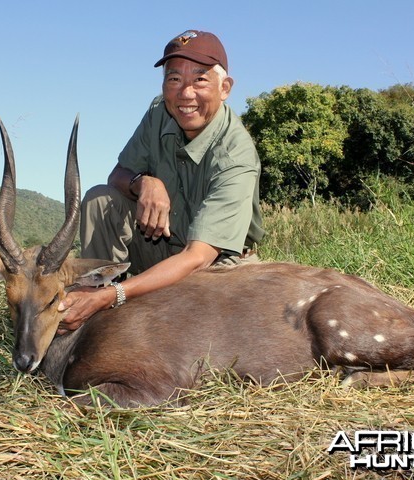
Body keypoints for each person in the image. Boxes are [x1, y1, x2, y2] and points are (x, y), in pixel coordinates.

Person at [57, 30, 264, 333]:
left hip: (215, 264)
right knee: (99, 199)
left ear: (225, 88)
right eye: (174, 79)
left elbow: (197, 258)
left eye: (200, 79)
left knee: (191, 331)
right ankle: (93, 294)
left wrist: (114, 296)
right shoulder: (159, 112)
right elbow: (117, 177)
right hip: (161, 245)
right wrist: (144, 182)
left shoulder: (237, 155)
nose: (185, 93)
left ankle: (108, 300)